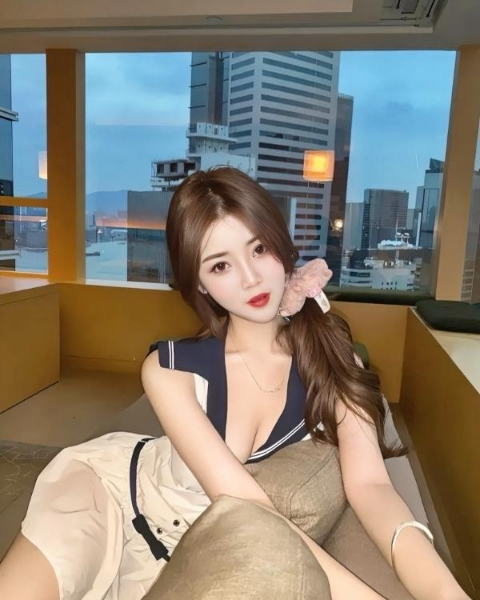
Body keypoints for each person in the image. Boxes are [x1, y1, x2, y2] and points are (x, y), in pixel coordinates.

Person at [0, 167, 471, 600]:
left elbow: (371, 487)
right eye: (220, 265)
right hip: (109, 494)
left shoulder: (331, 357)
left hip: (189, 545)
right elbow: (250, 508)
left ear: (281, 243)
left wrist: (445, 593)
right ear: (201, 285)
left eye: (259, 248)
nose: (250, 278)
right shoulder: (169, 370)